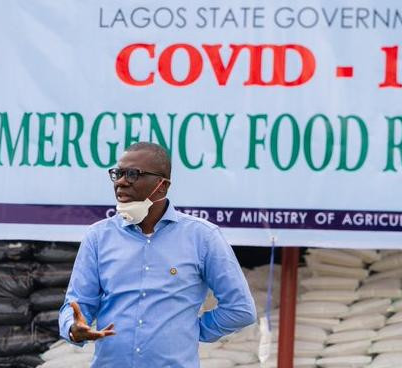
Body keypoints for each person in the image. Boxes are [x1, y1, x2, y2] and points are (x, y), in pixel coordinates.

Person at [58, 142, 257, 367]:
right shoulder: (98, 236)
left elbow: (240, 309)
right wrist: (73, 329)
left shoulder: (202, 237)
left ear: (161, 186)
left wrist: (193, 330)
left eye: (133, 174)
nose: (121, 182)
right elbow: (77, 304)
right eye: (118, 173)